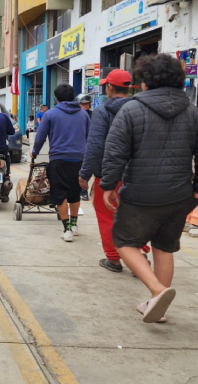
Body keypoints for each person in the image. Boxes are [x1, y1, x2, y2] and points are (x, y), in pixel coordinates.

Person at [101, 54, 198, 323]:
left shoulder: (130, 110)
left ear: (144, 83)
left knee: (124, 241)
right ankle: (157, 306)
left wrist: (108, 185)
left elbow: (115, 153)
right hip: (179, 195)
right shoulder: (194, 113)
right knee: (164, 247)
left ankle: (157, 291)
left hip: (140, 194)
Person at [79, 69, 152, 273]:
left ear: (109, 87)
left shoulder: (103, 111)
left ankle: (114, 258)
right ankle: (140, 253)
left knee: (107, 215)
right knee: (136, 216)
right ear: (129, 87)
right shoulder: (143, 109)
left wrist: (84, 174)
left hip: (110, 174)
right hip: (138, 176)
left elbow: (95, 145)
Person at [31, 84, 90, 243]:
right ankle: (74, 224)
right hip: (79, 159)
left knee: (60, 194)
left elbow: (40, 137)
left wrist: (34, 152)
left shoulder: (50, 114)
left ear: (56, 98)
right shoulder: (83, 115)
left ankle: (67, 229)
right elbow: (89, 137)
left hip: (58, 159)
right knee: (74, 192)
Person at [76, 94, 92, 201]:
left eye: (87, 104)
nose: (86, 106)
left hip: (90, 146)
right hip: (78, 147)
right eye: (83, 104)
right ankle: (82, 191)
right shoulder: (76, 115)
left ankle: (84, 190)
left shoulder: (94, 115)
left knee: (87, 170)